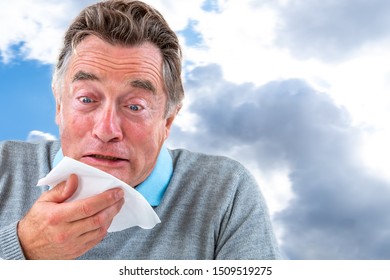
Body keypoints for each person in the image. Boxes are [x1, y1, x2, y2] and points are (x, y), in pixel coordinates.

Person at [0, 0, 280, 260]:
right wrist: (23, 248)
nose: (106, 130)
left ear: (168, 119)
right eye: (86, 99)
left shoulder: (226, 191)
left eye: (135, 106)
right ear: (60, 106)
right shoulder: (4, 167)